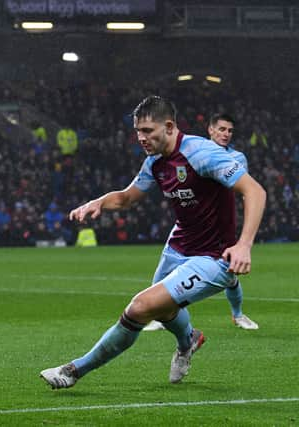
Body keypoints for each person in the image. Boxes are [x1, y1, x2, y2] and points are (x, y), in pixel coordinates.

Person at [40, 96, 266, 389]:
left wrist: (244, 244)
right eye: (138, 131)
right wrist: (98, 202)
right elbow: (126, 197)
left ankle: (73, 370)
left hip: (213, 257)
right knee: (161, 307)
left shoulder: (202, 153)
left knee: (140, 307)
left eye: (148, 130)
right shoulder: (155, 162)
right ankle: (190, 340)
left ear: (169, 126)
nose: (141, 138)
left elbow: (255, 191)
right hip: (178, 245)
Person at [144, 113, 259, 331]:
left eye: (230, 131)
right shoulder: (193, 150)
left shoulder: (237, 157)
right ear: (211, 130)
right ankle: (158, 313)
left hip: (218, 225)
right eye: (222, 129)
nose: (226, 134)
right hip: (189, 224)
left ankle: (238, 315)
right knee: (163, 272)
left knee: (230, 276)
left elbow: (244, 188)